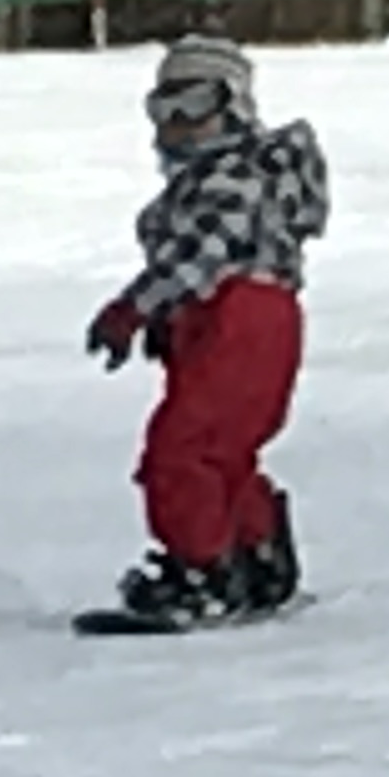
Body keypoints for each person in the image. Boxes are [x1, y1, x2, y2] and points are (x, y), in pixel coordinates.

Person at [85, 32, 328, 628]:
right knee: (222, 451)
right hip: (242, 321)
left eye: (192, 106)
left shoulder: (233, 178)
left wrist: (135, 307)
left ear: (234, 104)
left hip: (241, 318)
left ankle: (203, 571)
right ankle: (255, 557)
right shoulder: (230, 177)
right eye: (163, 111)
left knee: (181, 451)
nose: (176, 126)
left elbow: (202, 257)